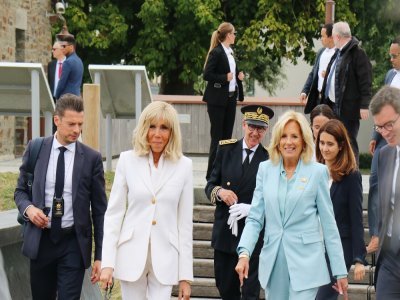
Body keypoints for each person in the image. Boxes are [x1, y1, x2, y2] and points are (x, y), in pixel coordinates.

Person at [235, 111, 348, 300]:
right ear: (277, 140)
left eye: (294, 136)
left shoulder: (318, 172)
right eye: (284, 136)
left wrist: (340, 271)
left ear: (303, 140)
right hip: (274, 261)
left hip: (306, 262)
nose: (289, 142)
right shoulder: (265, 169)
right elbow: (255, 218)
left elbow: (329, 226)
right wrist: (244, 253)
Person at [14, 93, 107, 300]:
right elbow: (20, 192)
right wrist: (29, 209)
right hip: (41, 241)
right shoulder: (36, 148)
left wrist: (101, 256)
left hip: (73, 242)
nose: (77, 130)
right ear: (57, 120)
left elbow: (100, 212)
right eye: (71, 124)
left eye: (80, 124)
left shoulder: (92, 159)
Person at [100, 101, 193, 300]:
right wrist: (108, 263)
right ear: (144, 128)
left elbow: (184, 224)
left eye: (164, 128)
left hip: (166, 257)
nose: (157, 134)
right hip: (131, 254)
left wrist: (185, 276)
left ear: (172, 132)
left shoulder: (184, 166)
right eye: (152, 126)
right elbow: (114, 214)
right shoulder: (127, 160)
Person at [205, 105, 274, 300]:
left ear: (266, 131)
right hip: (226, 234)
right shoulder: (226, 149)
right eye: (251, 126)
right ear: (243, 125)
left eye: (260, 129)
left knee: (251, 293)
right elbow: (210, 185)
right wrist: (221, 192)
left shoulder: (268, 159)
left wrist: (252, 209)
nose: (255, 133)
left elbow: (272, 198)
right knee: (226, 288)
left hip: (253, 238)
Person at [315, 119, 366, 299]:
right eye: (321, 143)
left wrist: (359, 258)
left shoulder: (351, 176)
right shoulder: (314, 171)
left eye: (330, 144)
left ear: (341, 145)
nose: (325, 148)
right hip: (314, 247)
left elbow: (356, 219)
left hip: (338, 249)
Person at [367, 36, 400, 254]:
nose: (391, 59)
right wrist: (375, 134)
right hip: (386, 139)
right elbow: (380, 106)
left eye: (395, 55)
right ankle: (377, 234)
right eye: (390, 54)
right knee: (376, 183)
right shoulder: (391, 75)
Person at [322, 21, 372, 163]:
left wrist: (364, 105)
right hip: (334, 107)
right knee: (336, 143)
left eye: (332, 37)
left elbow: (365, 80)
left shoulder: (357, 53)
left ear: (337, 37)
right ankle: (339, 174)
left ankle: (353, 175)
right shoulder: (338, 53)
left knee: (349, 142)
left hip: (348, 108)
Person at [203, 22, 245, 180]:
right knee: (217, 137)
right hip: (217, 100)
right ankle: (210, 176)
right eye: (234, 33)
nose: (235, 36)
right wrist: (224, 78)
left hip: (230, 98)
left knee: (227, 138)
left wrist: (238, 76)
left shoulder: (230, 52)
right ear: (228, 35)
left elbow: (232, 72)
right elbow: (207, 74)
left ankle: (222, 172)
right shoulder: (217, 52)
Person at [369, 86, 400, 299]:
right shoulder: (383, 156)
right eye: (379, 127)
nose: (385, 132)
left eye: (390, 124)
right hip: (390, 259)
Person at [300, 23, 336, 114]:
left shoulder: (340, 53)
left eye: (323, 36)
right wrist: (305, 91)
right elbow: (313, 73)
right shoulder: (321, 52)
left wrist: (328, 74)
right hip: (318, 98)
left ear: (331, 37)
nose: (321, 39)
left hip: (331, 100)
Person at [55, 35, 83, 99]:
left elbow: (62, 83)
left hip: (67, 99)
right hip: (77, 97)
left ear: (71, 47)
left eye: (64, 46)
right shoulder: (79, 61)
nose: (62, 48)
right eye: (61, 46)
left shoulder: (67, 62)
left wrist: (56, 96)